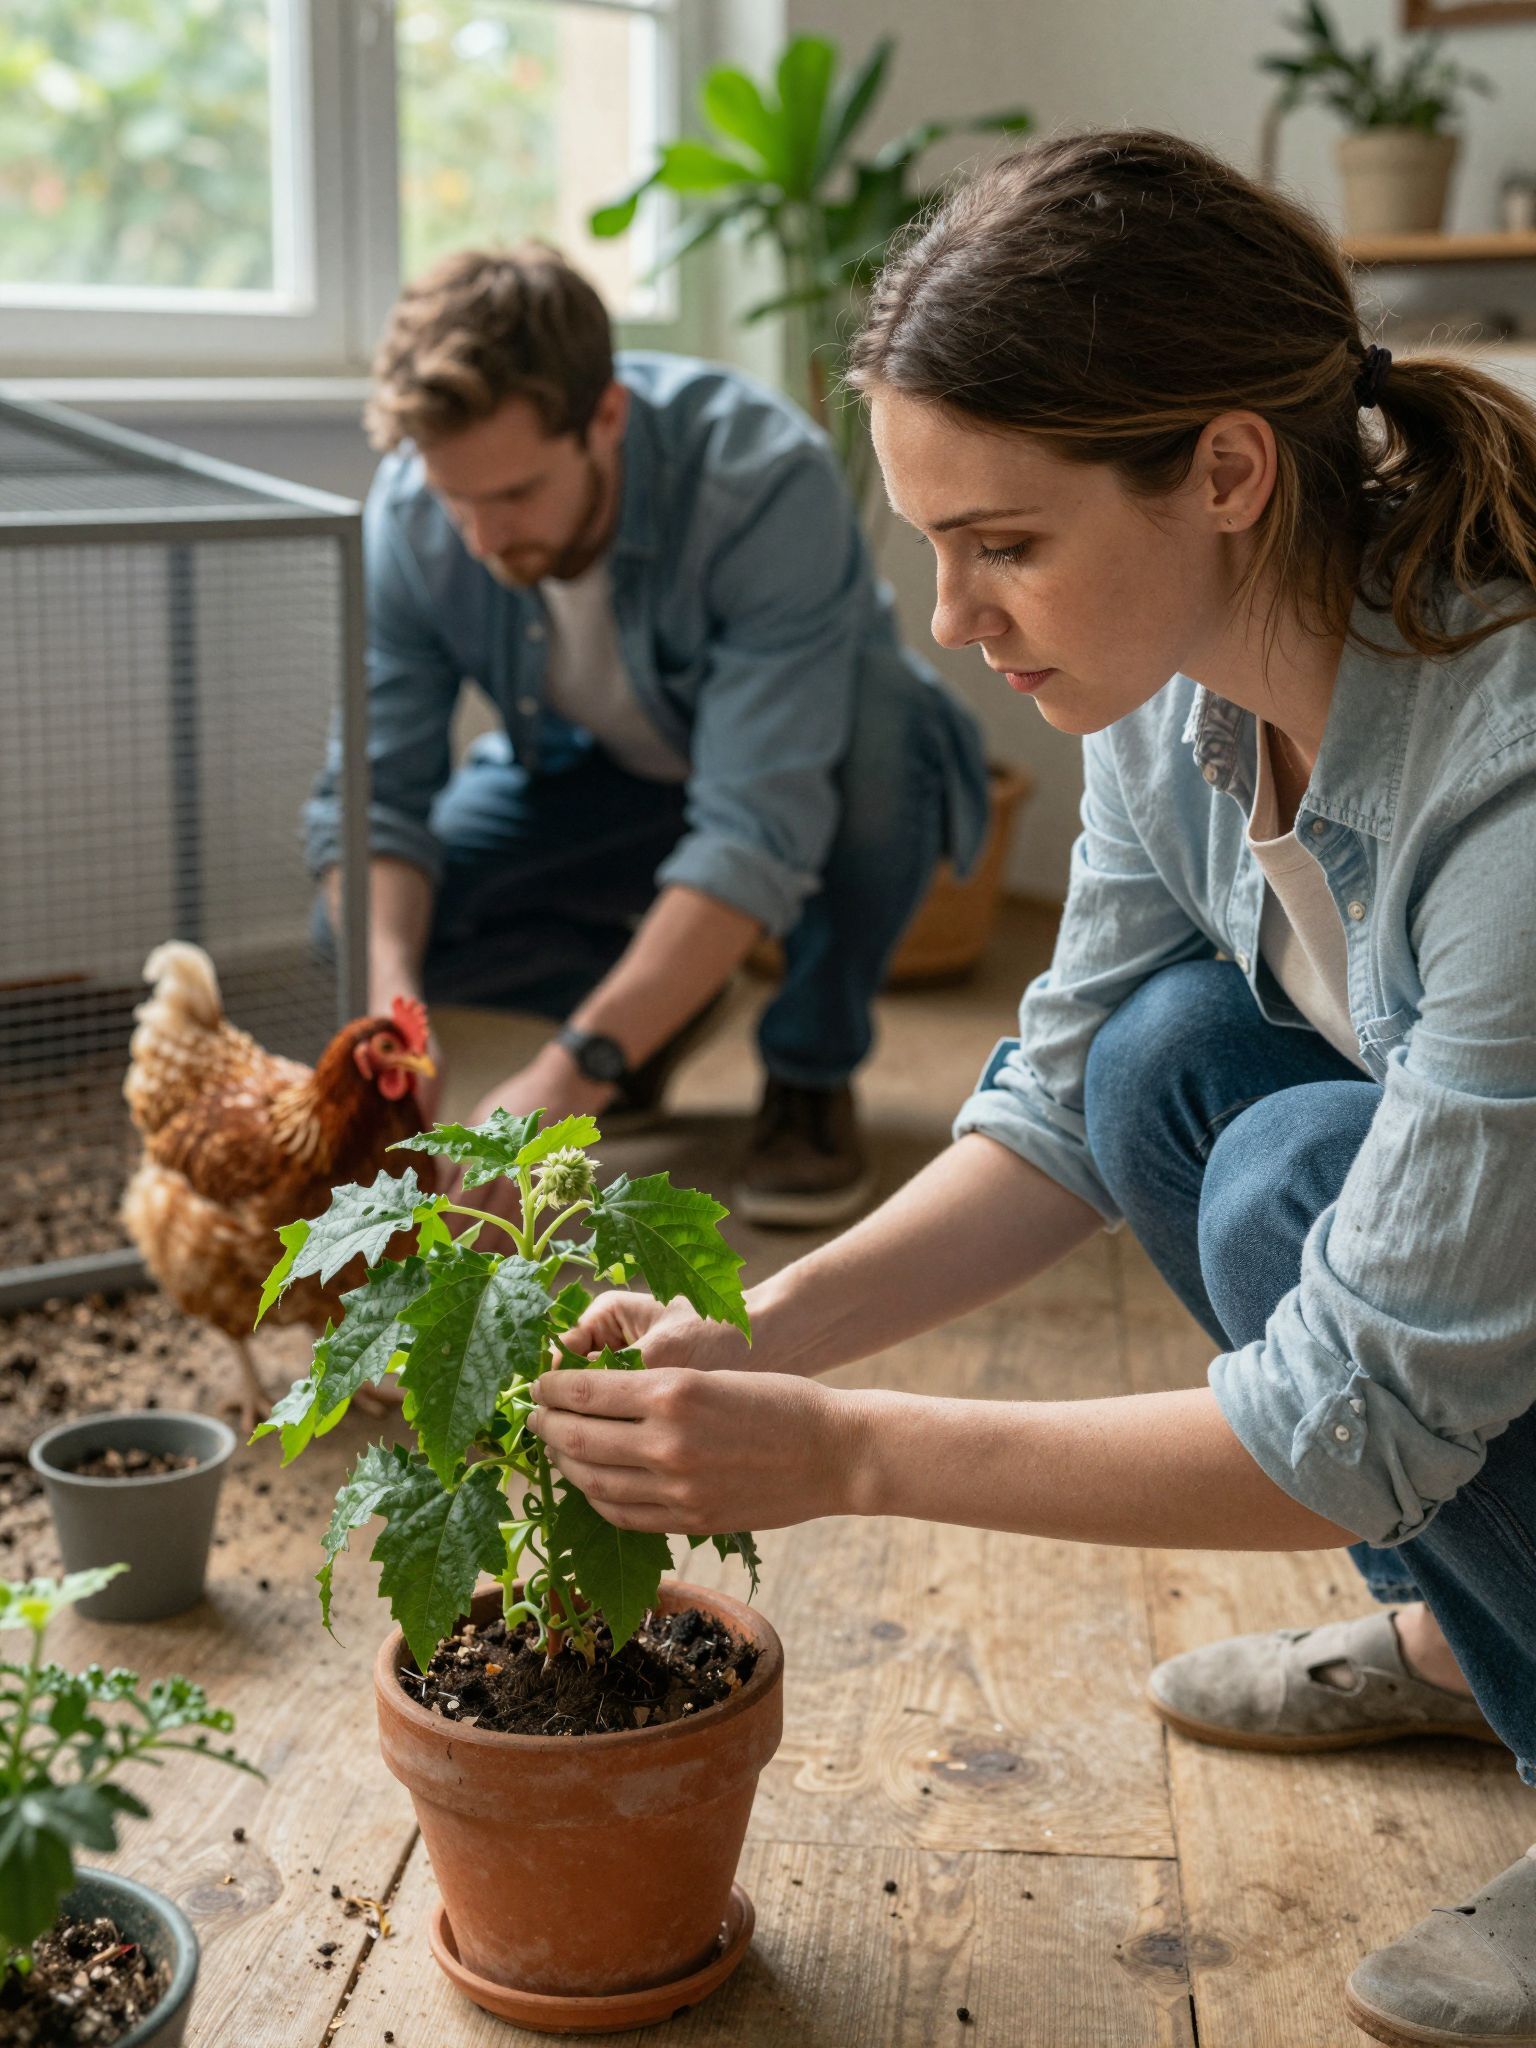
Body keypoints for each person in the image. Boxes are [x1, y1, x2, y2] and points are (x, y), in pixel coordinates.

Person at [527, 131, 1536, 2047]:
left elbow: (1358, 1411)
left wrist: (842, 1453)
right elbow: (1065, 1096)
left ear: (1224, 471)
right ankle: (1462, 1632)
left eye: (1003, 543)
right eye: (934, 543)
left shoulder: (1511, 772)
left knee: (1290, 1174)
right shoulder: (1175, 692)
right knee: (1164, 1058)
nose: (949, 617)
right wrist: (760, 1328)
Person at [305, 245, 988, 1227]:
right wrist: (395, 1016)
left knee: (889, 735)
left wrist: (568, 1072)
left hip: (807, 774)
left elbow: (754, 828)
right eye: (458, 499)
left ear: (607, 418)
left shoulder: (762, 479)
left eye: (516, 495)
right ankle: (649, 1015)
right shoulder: (413, 517)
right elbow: (375, 802)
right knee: (357, 924)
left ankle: (808, 1069)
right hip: (599, 778)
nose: (482, 538)